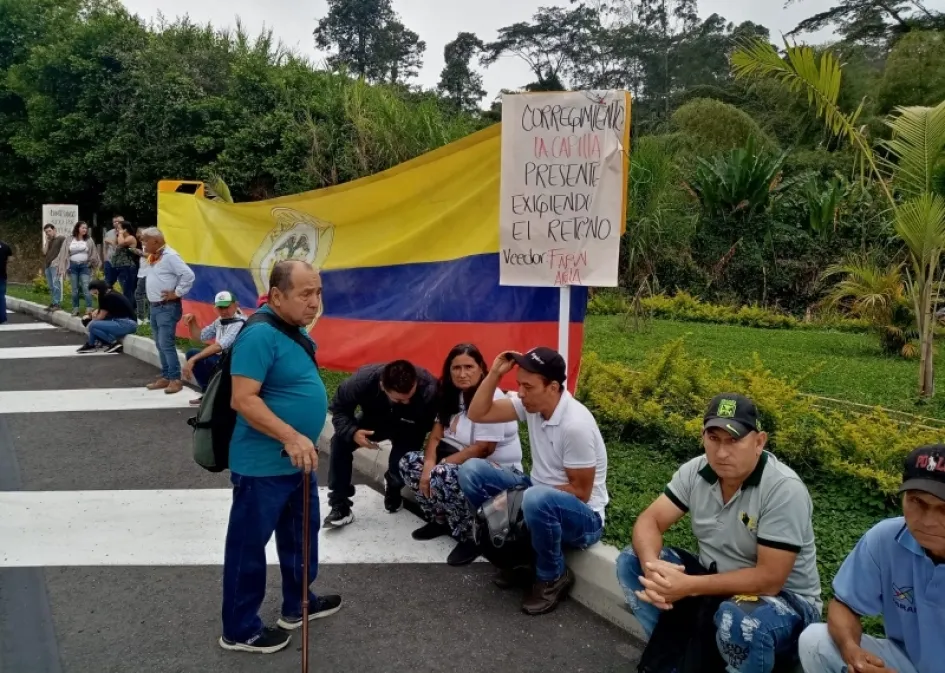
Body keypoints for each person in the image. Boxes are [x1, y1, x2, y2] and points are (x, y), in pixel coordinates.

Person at [616, 393, 822, 673]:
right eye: (713, 439)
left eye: (734, 440)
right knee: (632, 561)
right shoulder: (697, 470)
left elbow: (770, 579)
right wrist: (653, 568)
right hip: (715, 583)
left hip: (783, 602)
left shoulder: (783, 489)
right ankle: (680, 660)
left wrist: (687, 586)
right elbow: (650, 520)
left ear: (759, 442)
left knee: (739, 618)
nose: (722, 452)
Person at [221, 260, 341, 654]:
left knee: (300, 538)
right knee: (248, 548)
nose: (314, 302)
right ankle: (239, 629)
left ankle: (298, 604)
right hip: (263, 465)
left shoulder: (293, 330)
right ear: (277, 295)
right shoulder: (258, 335)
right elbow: (243, 399)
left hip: (295, 461)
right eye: (305, 294)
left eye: (318, 292)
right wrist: (291, 436)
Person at [458, 346, 609, 616]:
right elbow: (478, 413)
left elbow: (581, 492)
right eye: (519, 385)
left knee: (536, 498)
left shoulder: (575, 425)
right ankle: (517, 557)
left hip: (584, 518)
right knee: (472, 471)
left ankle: (552, 576)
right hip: (537, 493)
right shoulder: (532, 406)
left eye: (528, 386)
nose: (521, 393)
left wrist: (520, 503)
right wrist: (493, 373)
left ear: (552, 387)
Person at [798, 445, 945, 673]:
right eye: (917, 502)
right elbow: (844, 605)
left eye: (944, 509)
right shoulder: (886, 538)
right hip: (905, 662)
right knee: (816, 641)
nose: (928, 521)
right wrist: (852, 651)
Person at [399, 343, 523, 566]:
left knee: (442, 474)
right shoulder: (451, 394)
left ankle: (471, 535)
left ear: (482, 369)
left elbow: (484, 448)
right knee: (409, 463)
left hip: (493, 471)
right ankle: (440, 519)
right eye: (456, 368)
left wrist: (441, 465)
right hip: (459, 461)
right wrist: (428, 464)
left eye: (469, 367)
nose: (462, 373)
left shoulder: (492, 396)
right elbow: (436, 436)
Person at [324, 360, 438, 527]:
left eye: (410, 397)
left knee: (402, 464)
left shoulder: (431, 389)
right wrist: (352, 432)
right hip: (374, 421)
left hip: (411, 427)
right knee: (340, 442)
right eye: (399, 400)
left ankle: (393, 484)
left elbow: (437, 425)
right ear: (382, 386)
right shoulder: (362, 381)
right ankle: (339, 504)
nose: (406, 402)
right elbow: (339, 409)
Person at [141, 227, 195, 395]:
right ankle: (166, 376)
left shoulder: (171, 256)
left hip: (167, 307)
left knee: (166, 343)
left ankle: (175, 379)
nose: (142, 243)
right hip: (156, 306)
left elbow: (188, 275)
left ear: (156, 241)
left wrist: (176, 293)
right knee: (159, 343)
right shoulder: (155, 256)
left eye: (145, 240)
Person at [182, 291, 247, 406]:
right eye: (220, 308)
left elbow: (219, 346)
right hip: (224, 360)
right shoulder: (220, 321)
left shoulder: (240, 322)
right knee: (192, 353)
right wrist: (192, 321)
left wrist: (193, 360)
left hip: (237, 363)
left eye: (227, 307)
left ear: (236, 305)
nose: (224, 311)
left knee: (195, 357)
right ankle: (208, 394)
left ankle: (214, 396)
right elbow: (200, 336)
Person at [77, 279, 137, 354]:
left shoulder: (106, 297)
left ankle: (112, 342)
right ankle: (92, 343)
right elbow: (104, 311)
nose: (95, 295)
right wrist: (94, 314)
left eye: (95, 293)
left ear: (98, 290)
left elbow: (100, 317)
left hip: (126, 324)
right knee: (92, 324)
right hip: (126, 323)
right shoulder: (110, 293)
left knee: (92, 325)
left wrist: (90, 317)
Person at [54, 221, 101, 317]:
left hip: (85, 266)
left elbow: (93, 252)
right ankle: (75, 308)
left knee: (86, 287)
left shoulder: (89, 240)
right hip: (73, 266)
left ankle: (89, 308)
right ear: (77, 228)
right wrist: (62, 265)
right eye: (83, 228)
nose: (85, 230)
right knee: (74, 289)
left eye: (86, 228)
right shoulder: (69, 239)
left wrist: (92, 262)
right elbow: (64, 252)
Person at [111, 220, 139, 307]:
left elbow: (121, 243)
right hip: (120, 266)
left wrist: (120, 233)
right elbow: (115, 243)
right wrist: (118, 234)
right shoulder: (121, 236)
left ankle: (130, 311)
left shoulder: (130, 238)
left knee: (128, 290)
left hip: (127, 266)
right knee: (125, 289)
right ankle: (130, 309)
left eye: (119, 228)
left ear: (125, 229)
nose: (117, 230)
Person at [42, 224, 65, 311]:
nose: (48, 233)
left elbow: (65, 250)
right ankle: (53, 302)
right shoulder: (50, 241)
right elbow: (44, 252)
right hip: (47, 265)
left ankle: (57, 304)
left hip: (56, 265)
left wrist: (58, 261)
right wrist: (47, 241)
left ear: (54, 230)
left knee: (56, 285)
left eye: (49, 231)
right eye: (46, 232)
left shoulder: (61, 238)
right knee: (51, 286)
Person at [133, 228, 150, 324]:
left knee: (139, 294)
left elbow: (150, 255)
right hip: (142, 272)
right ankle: (148, 318)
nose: (139, 235)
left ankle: (141, 317)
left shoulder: (148, 245)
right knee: (146, 296)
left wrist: (138, 252)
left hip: (146, 274)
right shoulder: (143, 245)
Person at [103, 215, 122, 288]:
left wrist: (111, 242)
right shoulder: (109, 233)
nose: (116, 223)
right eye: (114, 222)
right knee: (108, 282)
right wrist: (105, 259)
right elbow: (105, 247)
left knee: (122, 283)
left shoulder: (125, 233)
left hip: (121, 262)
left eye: (118, 221)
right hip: (109, 261)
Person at [0, 237, 12, 325]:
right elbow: (10, 259)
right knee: (1, 296)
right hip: (2, 275)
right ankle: (2, 318)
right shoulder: (6, 246)